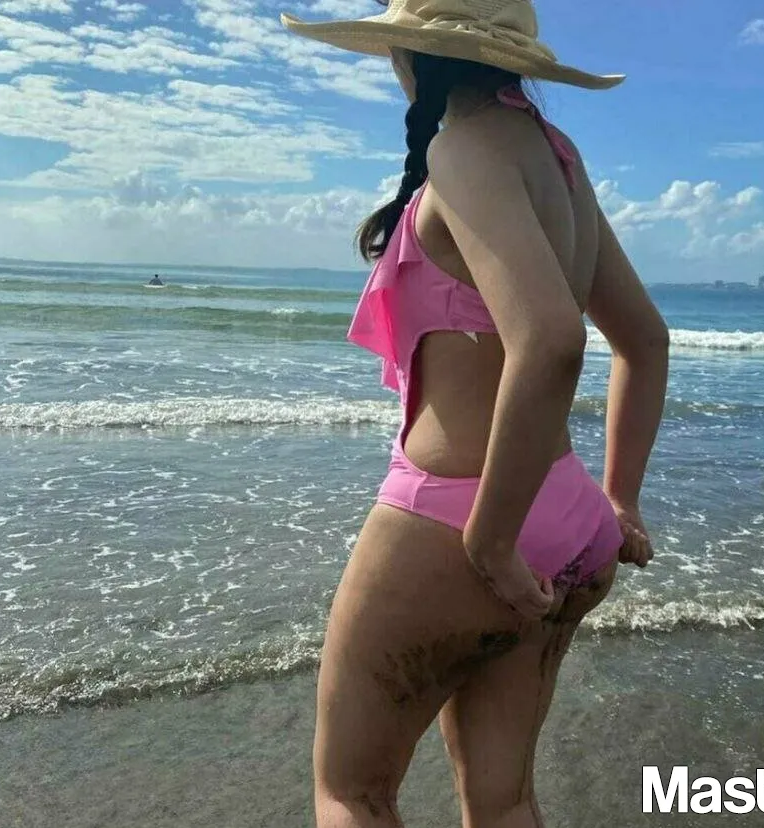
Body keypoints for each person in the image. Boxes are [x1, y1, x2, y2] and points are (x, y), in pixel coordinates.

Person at [282, 1, 670, 825]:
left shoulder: (460, 150)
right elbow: (644, 341)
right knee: (503, 801)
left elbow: (552, 341)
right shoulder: (558, 158)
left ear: (407, 54)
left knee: (351, 792)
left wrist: (491, 543)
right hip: (570, 516)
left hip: (457, 520)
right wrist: (622, 499)